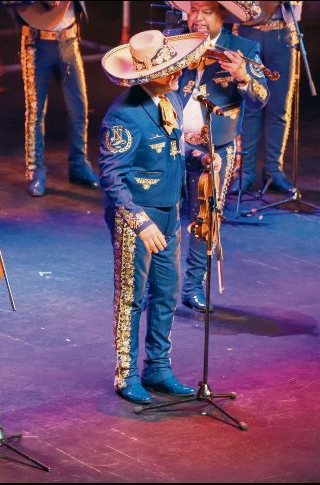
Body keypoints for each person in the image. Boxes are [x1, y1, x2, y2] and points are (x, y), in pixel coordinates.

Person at [99, 30, 209, 404]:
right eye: (168, 68)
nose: (177, 71)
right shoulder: (125, 115)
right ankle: (126, 373)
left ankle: (158, 367)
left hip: (168, 210)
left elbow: (173, 150)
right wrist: (138, 221)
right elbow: (112, 176)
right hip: (139, 217)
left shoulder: (171, 99)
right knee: (132, 295)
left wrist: (199, 159)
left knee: (165, 292)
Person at [167, 1, 267, 312]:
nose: (196, 18)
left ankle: (193, 286)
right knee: (163, 216)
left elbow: (261, 98)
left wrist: (243, 77)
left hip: (215, 148)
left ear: (222, 15)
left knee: (205, 219)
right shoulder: (173, 39)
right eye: (193, 9)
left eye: (206, 11)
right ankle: (161, 286)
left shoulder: (243, 47)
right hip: (171, 142)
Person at [0, 1, 100, 196]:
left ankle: (79, 165)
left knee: (79, 108)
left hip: (69, 41)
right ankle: (36, 170)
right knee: (36, 110)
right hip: (36, 44)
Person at [237, 1, 303, 194]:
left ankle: (274, 170)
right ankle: (246, 172)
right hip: (248, 32)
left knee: (278, 108)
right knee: (249, 106)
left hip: (282, 33)